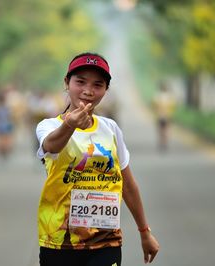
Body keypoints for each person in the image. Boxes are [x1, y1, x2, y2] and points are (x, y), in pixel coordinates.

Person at [35, 52, 159, 266]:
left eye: (97, 85)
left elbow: (128, 185)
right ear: (67, 82)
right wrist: (69, 125)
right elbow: (52, 145)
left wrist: (144, 232)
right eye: (80, 82)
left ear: (105, 90)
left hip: (105, 242)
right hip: (58, 241)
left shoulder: (110, 129)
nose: (87, 91)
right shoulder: (50, 126)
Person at [152, 82, 176, 151]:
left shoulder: (157, 96)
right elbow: (173, 106)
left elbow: (154, 105)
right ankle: (165, 141)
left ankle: (162, 141)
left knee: (161, 130)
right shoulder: (169, 97)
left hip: (160, 116)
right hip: (168, 115)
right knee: (166, 129)